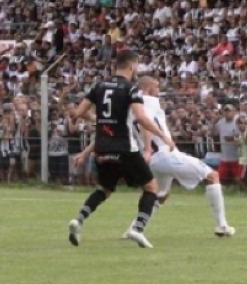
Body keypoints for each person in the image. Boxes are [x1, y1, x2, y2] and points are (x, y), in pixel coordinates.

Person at [67, 51, 177, 249]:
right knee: (151, 188)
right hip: (125, 147)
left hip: (102, 148)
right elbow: (142, 119)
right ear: (132, 66)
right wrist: (162, 135)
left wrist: (98, 120)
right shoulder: (131, 89)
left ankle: (79, 220)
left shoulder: (98, 86)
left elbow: (79, 113)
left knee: (105, 189)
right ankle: (138, 228)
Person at [137, 75, 234, 237]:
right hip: (164, 154)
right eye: (157, 87)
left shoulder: (132, 105)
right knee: (212, 176)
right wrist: (151, 146)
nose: (159, 91)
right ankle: (222, 226)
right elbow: (144, 122)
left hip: (152, 160)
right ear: (148, 88)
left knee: (160, 195)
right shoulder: (148, 101)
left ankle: (135, 228)